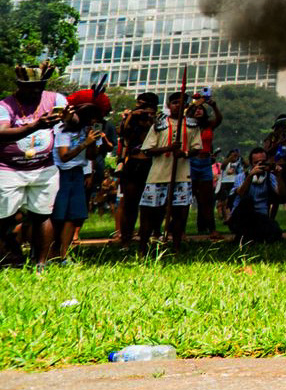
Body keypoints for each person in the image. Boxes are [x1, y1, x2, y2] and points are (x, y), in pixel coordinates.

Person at [0, 63, 69, 266]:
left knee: (42, 215)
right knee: (3, 218)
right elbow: (2, 133)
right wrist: (36, 125)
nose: (36, 90)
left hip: (43, 168)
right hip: (9, 169)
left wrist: (69, 115)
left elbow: (73, 121)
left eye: (40, 85)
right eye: (30, 86)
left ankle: (41, 263)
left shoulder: (55, 99)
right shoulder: (5, 105)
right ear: (19, 85)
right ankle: (8, 258)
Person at [48, 83, 111, 259]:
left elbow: (91, 156)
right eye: (92, 119)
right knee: (58, 215)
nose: (94, 123)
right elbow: (63, 157)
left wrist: (92, 143)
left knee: (73, 216)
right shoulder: (63, 130)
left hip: (78, 173)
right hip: (61, 174)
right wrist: (84, 143)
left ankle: (64, 254)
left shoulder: (89, 132)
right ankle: (51, 251)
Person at [138, 91, 198, 247]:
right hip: (158, 176)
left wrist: (184, 153)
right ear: (168, 105)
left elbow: (197, 148)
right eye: (175, 102)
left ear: (186, 106)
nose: (178, 105)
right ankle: (143, 247)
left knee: (180, 214)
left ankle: (176, 247)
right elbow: (147, 150)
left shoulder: (191, 125)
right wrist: (168, 148)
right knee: (149, 213)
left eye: (181, 103)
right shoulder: (159, 125)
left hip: (181, 176)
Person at [113, 93, 159, 247]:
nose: (141, 108)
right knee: (130, 203)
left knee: (152, 205)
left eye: (145, 105)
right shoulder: (132, 118)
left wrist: (151, 119)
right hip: (133, 162)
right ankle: (126, 238)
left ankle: (148, 236)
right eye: (139, 104)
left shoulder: (158, 120)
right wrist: (131, 116)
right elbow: (123, 134)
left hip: (152, 164)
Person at [184, 88, 224, 238]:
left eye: (201, 109)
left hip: (206, 162)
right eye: (196, 109)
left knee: (207, 199)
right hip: (191, 162)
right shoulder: (187, 125)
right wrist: (196, 103)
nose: (199, 111)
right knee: (187, 197)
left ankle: (212, 230)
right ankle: (180, 231)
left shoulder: (209, 125)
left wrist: (213, 106)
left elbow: (219, 119)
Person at [226, 148, 283, 244]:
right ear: (251, 163)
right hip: (241, 217)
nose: (260, 165)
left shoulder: (270, 177)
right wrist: (250, 176)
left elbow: (281, 194)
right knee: (247, 200)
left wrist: (279, 176)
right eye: (256, 162)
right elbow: (240, 192)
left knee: (275, 230)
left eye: (263, 162)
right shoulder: (241, 176)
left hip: (260, 217)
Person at [214, 149, 243, 221]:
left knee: (233, 200)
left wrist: (240, 157)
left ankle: (231, 216)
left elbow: (246, 165)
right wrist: (230, 158)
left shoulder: (239, 162)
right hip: (225, 183)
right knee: (225, 201)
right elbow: (223, 166)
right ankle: (226, 217)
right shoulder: (226, 162)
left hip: (235, 182)